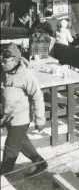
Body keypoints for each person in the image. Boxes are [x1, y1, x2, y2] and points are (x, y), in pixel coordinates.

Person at [0, 43, 47, 176]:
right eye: (1, 60)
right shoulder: (3, 71)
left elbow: (38, 96)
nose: (2, 63)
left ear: (15, 60)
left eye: (5, 61)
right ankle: (39, 162)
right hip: (7, 115)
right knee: (20, 141)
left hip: (21, 117)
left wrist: (40, 118)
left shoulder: (25, 75)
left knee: (11, 147)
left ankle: (4, 176)